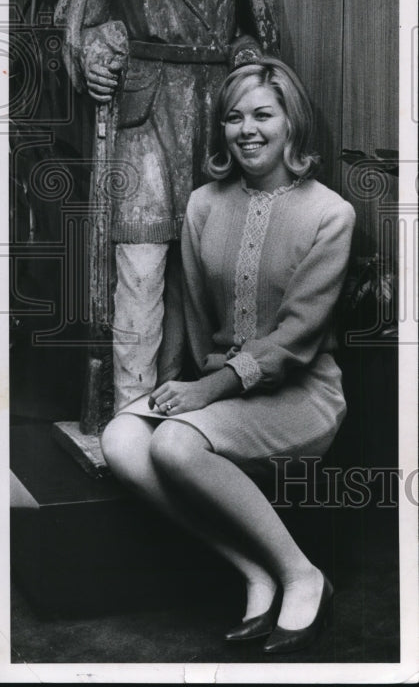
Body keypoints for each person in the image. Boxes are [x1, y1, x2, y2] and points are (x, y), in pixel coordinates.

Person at [101, 57, 356, 654]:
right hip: (222, 393)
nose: (248, 130)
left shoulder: (330, 215)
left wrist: (201, 396)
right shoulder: (202, 205)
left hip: (301, 396)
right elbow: (189, 315)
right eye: (234, 118)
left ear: (291, 122)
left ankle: (302, 576)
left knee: (173, 442)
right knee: (121, 439)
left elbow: (295, 340)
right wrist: (164, 391)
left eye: (263, 114)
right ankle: (254, 569)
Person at [56, 0, 279, 416]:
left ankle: (190, 414)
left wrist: (244, 55)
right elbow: (80, 18)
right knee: (142, 262)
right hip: (143, 116)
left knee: (209, 271)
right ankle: (128, 416)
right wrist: (93, 50)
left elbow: (257, 34)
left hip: (218, 116)